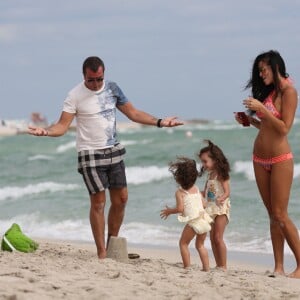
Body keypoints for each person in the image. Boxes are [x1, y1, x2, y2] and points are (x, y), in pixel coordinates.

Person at [28, 56, 183, 259]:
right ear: (84, 76)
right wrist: (46, 132)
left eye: (99, 79)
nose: (95, 84)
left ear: (104, 74)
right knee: (99, 203)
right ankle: (102, 253)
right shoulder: (74, 95)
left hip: (113, 150)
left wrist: (161, 122)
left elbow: (133, 113)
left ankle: (112, 246)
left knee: (121, 199)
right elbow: (62, 126)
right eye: (91, 80)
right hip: (89, 154)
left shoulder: (112, 88)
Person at [235, 50, 300, 278]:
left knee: (281, 214)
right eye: (259, 71)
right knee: (272, 214)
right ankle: (279, 267)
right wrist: (251, 120)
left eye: (264, 70)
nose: (261, 75)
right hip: (259, 159)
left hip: (280, 159)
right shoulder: (270, 93)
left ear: (276, 67)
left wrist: (262, 109)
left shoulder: (290, 92)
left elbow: (284, 128)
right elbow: (267, 127)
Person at [160, 157, 212, 270]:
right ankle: (206, 268)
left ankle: (187, 267)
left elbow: (180, 209)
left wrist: (169, 211)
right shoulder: (197, 189)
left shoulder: (180, 192)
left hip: (194, 222)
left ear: (178, 178)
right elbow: (204, 204)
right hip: (204, 220)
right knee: (200, 245)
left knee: (183, 244)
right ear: (194, 177)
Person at [198, 140, 231, 270]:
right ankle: (218, 265)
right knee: (212, 238)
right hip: (210, 209)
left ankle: (223, 265)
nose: (203, 164)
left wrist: (222, 197)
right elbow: (205, 192)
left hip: (221, 209)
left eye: (205, 161)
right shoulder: (210, 175)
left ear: (216, 160)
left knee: (218, 237)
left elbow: (227, 192)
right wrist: (194, 193)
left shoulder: (221, 174)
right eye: (202, 162)